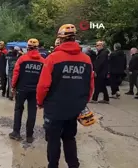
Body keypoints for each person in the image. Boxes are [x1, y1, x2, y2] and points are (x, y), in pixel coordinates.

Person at [37, 24, 94, 168]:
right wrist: (81, 104)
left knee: (53, 140)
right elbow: (90, 86)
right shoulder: (86, 59)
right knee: (69, 138)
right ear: (75, 38)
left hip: (54, 108)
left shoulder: (52, 58)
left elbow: (43, 85)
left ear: (60, 39)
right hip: (74, 109)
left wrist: (40, 102)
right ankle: (73, 165)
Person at [9, 38, 45, 143]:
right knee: (32, 112)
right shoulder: (43, 61)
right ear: (37, 48)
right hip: (35, 90)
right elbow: (44, 78)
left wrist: (13, 86)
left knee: (18, 110)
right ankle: (29, 136)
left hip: (21, 89)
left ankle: (16, 132)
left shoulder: (22, 59)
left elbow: (16, 74)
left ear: (27, 48)